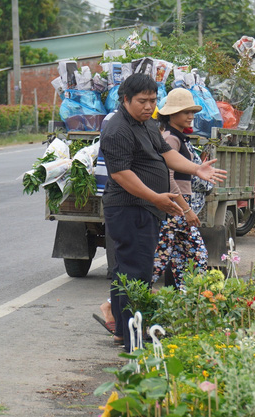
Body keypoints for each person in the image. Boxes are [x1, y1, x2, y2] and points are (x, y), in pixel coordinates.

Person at [100, 74, 226, 352]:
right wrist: (156, 197)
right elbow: (121, 174)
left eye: (153, 101)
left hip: (146, 208)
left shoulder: (147, 125)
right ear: (125, 100)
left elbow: (167, 153)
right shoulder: (118, 129)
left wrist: (196, 169)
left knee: (126, 270)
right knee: (137, 272)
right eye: (142, 101)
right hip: (129, 208)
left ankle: (123, 331)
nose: (148, 106)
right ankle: (134, 339)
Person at [153, 88, 209, 289]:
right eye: (186, 112)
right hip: (175, 208)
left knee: (181, 260)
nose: (191, 116)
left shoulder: (177, 136)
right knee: (193, 257)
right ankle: (114, 304)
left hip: (176, 207)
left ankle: (186, 305)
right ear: (172, 114)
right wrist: (185, 209)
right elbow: (168, 177)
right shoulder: (171, 138)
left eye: (192, 112)